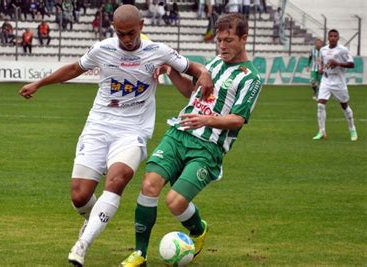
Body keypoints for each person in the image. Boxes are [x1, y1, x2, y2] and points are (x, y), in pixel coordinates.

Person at [18, 5, 212, 267]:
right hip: (99, 126)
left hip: (133, 131)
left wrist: (205, 73)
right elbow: (75, 68)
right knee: (79, 196)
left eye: (131, 33)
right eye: (121, 34)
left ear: (141, 26)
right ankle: (92, 217)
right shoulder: (103, 49)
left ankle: (82, 246)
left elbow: (193, 67)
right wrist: (39, 83)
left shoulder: (158, 51)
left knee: (117, 179)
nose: (126, 39)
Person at [121, 12, 263, 267]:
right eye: (219, 40)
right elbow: (191, 92)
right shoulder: (214, 64)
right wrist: (171, 71)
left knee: (175, 202)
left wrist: (206, 120)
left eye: (229, 40)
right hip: (178, 134)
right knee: (149, 185)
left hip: (208, 148)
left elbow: (238, 120)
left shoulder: (250, 78)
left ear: (244, 38)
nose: (222, 46)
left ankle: (198, 230)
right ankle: (139, 254)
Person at [313, 29, 357, 141]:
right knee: (320, 105)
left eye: (335, 36)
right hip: (326, 80)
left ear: (338, 38)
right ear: (328, 38)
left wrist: (338, 63)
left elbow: (352, 64)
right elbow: (324, 63)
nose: (333, 38)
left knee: (344, 106)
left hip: (339, 82)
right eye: (331, 36)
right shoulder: (323, 50)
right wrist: (322, 69)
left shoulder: (343, 50)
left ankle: (352, 129)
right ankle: (322, 131)